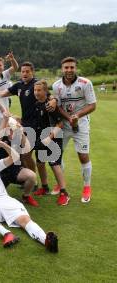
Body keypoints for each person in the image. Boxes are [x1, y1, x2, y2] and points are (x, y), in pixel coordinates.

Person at [0, 141, 59, 253]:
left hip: (5, 200)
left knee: (25, 220)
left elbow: (15, 157)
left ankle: (46, 241)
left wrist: (3, 145)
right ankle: (7, 234)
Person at [0, 62, 57, 182]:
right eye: (22, 71)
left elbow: (48, 96)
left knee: (33, 157)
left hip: (38, 127)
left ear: (32, 72)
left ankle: (36, 181)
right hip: (25, 126)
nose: (24, 73)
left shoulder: (36, 84)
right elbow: (3, 93)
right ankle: (32, 179)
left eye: (27, 71)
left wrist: (54, 99)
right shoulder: (19, 85)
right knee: (25, 155)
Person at [52, 57, 96, 203]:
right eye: (66, 67)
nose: (69, 70)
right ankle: (60, 183)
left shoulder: (85, 83)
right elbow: (57, 106)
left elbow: (92, 105)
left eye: (72, 67)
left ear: (75, 68)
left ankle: (87, 187)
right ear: (62, 68)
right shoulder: (56, 85)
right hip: (64, 124)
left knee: (83, 156)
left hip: (81, 124)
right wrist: (68, 117)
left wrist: (76, 116)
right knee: (58, 155)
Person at [31, 80, 69, 205]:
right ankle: (45, 187)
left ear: (45, 91)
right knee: (40, 163)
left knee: (54, 165)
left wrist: (50, 137)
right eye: (35, 90)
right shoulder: (36, 104)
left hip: (53, 139)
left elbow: (60, 123)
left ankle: (64, 193)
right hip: (41, 138)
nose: (36, 92)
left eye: (39, 90)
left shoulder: (50, 105)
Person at [0, 116, 39, 206]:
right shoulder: (1, 136)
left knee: (31, 176)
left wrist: (22, 133)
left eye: (14, 127)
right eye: (10, 127)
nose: (12, 130)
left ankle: (25, 197)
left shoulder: (19, 136)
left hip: (15, 170)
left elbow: (27, 148)